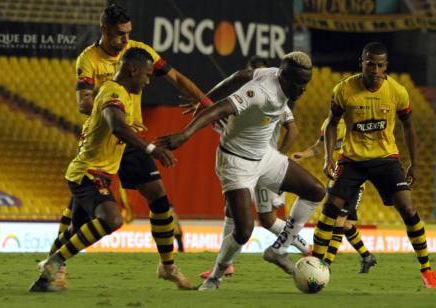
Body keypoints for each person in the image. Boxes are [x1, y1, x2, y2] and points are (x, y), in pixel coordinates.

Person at [47, 4, 210, 290]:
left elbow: (176, 78)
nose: (124, 40)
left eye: (127, 34)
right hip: (104, 138)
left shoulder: (138, 51)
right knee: (81, 215)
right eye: (118, 34)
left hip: (132, 139)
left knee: (159, 197)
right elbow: (84, 104)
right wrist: (111, 93)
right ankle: (55, 265)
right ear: (103, 30)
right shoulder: (89, 60)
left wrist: (206, 104)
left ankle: (168, 266)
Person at [156, 51, 326, 291]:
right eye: (298, 83)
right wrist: (185, 133)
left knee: (316, 190)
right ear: (284, 76)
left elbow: (240, 74)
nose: (303, 89)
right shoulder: (260, 92)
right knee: (244, 230)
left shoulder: (272, 76)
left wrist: (205, 97)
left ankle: (278, 250)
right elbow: (221, 109)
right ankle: (214, 279)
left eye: (306, 83)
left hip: (265, 157)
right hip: (236, 162)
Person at [30, 48, 182, 291]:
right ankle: (53, 263)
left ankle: (43, 282)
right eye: (146, 74)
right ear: (133, 70)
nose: (147, 80)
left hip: (92, 172)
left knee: (73, 231)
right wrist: (152, 149)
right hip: (89, 174)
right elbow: (117, 127)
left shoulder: (118, 93)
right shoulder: (113, 92)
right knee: (112, 218)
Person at [313, 42, 436, 288]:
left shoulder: (397, 92)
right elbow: (331, 124)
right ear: (361, 62)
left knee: (408, 208)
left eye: (379, 65)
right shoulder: (344, 89)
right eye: (370, 63)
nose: (374, 69)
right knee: (331, 208)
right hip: (352, 160)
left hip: (385, 159)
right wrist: (329, 157)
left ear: (385, 67)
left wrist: (413, 163)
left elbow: (409, 127)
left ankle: (427, 270)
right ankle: (317, 265)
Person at [198, 56, 309, 279]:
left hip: (264, 163)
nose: (252, 78)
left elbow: (293, 130)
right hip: (244, 163)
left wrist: (279, 156)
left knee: (266, 220)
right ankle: (225, 265)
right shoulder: (246, 99)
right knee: (232, 211)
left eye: (256, 73)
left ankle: (305, 247)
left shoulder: (275, 97)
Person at [292, 118, 376, 273]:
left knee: (338, 222)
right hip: (335, 179)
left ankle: (327, 263)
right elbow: (319, 147)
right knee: (344, 225)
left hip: (354, 180)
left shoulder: (357, 121)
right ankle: (367, 256)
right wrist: (302, 154)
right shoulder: (329, 123)